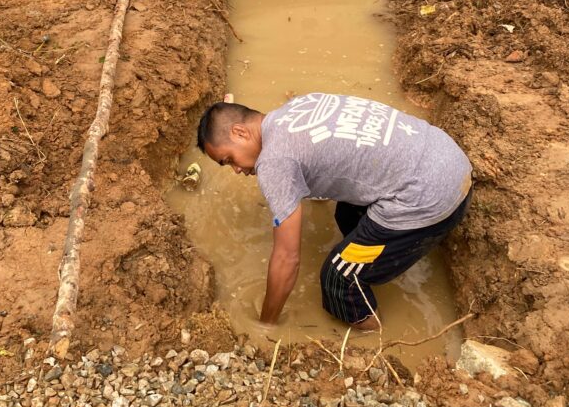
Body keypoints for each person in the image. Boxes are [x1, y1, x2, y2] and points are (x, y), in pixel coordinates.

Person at [197, 93, 472, 329]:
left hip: (431, 199)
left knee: (339, 278)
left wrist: (266, 326)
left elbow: (287, 257)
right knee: (345, 214)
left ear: (240, 132)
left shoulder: (274, 162)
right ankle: (389, 254)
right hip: (450, 161)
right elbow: (331, 157)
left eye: (229, 159)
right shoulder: (299, 106)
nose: (237, 170)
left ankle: (376, 341)